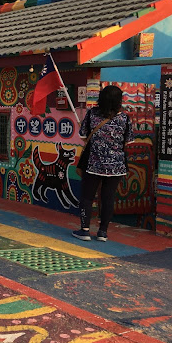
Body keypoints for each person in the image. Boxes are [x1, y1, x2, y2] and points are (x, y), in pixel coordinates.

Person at [72, 85, 134, 242]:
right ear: (119, 100)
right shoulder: (125, 119)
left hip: (93, 164)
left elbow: (83, 136)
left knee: (87, 197)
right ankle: (103, 232)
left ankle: (84, 230)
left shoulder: (92, 114)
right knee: (108, 198)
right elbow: (128, 142)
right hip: (116, 167)